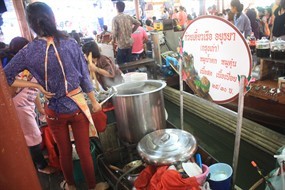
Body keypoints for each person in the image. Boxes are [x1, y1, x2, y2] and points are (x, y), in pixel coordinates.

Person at [4, 2, 104, 190]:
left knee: (64, 152)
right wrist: (94, 101)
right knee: (84, 151)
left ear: (31, 24)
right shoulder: (71, 43)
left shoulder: (28, 51)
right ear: (52, 18)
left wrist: (36, 85)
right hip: (77, 106)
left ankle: (71, 186)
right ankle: (93, 186)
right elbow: (84, 76)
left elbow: (5, 77)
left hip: (54, 111)